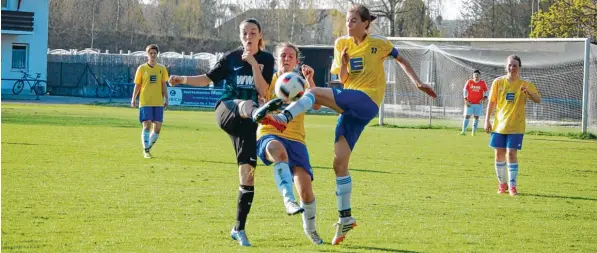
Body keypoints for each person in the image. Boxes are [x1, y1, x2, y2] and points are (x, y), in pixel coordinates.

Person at [253, 4, 437, 245]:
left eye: (352, 21)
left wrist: (417, 82)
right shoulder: (341, 45)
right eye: (347, 21)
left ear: (365, 23)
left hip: (368, 100)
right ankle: (345, 218)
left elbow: (401, 58)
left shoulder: (378, 43)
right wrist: (347, 64)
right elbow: (343, 79)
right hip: (352, 106)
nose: (348, 25)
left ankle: (284, 117)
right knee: (339, 164)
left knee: (316, 92)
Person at [168, 18, 284, 247]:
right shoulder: (230, 58)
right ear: (240, 36)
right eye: (244, 33)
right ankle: (259, 114)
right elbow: (207, 79)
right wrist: (182, 79)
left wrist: (252, 63)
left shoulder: (267, 60)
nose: (248, 36)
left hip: (249, 124)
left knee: (248, 174)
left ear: (260, 35)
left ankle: (238, 229)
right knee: (245, 104)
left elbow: (263, 90)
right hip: (228, 110)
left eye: (253, 32)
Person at [256, 42, 324, 244]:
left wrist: (311, 79)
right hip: (269, 132)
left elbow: (318, 104)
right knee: (278, 152)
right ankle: (288, 200)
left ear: (296, 61)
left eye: (290, 56)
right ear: (277, 59)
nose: (286, 59)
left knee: (306, 190)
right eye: (283, 55)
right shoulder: (269, 79)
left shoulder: (301, 84)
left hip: (296, 138)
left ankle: (310, 229)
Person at [484, 55, 541, 196]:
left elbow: (538, 99)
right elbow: (491, 102)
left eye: (515, 65)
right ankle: (502, 185)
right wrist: (486, 120)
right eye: (510, 65)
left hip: (516, 126)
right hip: (499, 126)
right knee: (499, 154)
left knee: (511, 154)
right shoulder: (498, 82)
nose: (512, 68)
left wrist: (528, 93)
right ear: (506, 66)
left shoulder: (526, 83)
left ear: (519, 67)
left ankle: (513, 186)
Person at [131, 44, 169, 159]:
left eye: (154, 53)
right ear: (147, 54)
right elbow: (137, 85)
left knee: (157, 128)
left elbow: (164, 85)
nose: (152, 55)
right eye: (150, 53)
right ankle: (146, 151)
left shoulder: (162, 69)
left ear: (157, 54)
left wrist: (166, 98)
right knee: (146, 125)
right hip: (145, 101)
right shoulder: (142, 68)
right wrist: (133, 98)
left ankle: (148, 148)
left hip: (158, 102)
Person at [460, 69, 488, 136]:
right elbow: (465, 90)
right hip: (469, 103)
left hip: (478, 104)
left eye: (478, 75)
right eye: (475, 75)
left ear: (480, 76)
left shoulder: (482, 83)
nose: (476, 76)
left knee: (476, 117)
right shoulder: (469, 82)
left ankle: (473, 132)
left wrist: (484, 98)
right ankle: (463, 131)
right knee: (467, 116)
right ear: (473, 75)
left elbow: (487, 92)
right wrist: (466, 100)